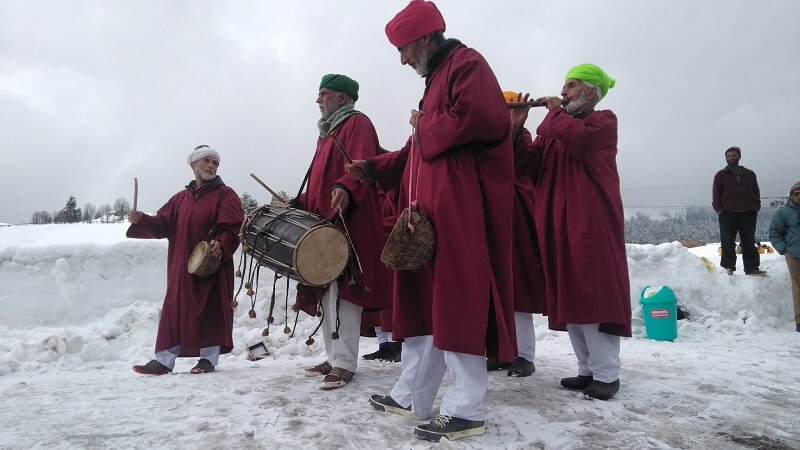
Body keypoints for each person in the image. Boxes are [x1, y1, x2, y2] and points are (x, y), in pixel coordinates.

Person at [346, 0, 516, 441]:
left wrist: (425, 126)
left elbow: (480, 119)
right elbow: (413, 150)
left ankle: (467, 408)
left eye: (403, 48)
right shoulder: (437, 79)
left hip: (458, 214)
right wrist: (375, 168)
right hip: (426, 217)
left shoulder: (468, 64)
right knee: (425, 306)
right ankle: (412, 395)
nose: (402, 59)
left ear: (424, 38)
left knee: (456, 303)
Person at [512, 64, 631, 400]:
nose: (563, 92)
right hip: (557, 226)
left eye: (572, 86)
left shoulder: (603, 122)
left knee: (594, 294)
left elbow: (579, 139)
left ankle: (607, 374)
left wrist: (550, 114)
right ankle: (587, 368)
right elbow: (525, 167)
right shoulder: (554, 131)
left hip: (590, 225)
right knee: (572, 294)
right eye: (564, 86)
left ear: (592, 92)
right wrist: (516, 132)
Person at [294, 74, 393, 390]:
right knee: (327, 291)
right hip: (326, 222)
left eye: (323, 94)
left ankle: (346, 363)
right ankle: (333, 354)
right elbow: (320, 181)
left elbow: (358, 166)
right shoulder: (327, 133)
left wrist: (345, 188)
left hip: (350, 220)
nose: (318, 99)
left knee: (345, 294)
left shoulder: (357, 123)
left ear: (342, 98)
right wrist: (300, 202)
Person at [129, 145, 244, 375]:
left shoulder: (225, 194)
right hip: (181, 266)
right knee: (174, 309)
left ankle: (208, 360)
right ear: (193, 165)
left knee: (210, 308)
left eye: (215, 163)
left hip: (210, 266)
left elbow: (233, 225)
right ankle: (163, 361)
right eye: (207, 161)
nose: (211, 166)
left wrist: (221, 243)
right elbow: (161, 224)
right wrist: (141, 219)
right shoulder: (179, 199)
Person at [484, 90, 548, 378]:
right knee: (493, 292)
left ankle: (524, 355)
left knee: (517, 289)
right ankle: (501, 352)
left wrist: (515, 128)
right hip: (490, 220)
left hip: (515, 221)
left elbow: (517, 167)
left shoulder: (521, 137)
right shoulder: (485, 138)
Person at [712, 146, 766, 276]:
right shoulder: (720, 175)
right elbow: (716, 194)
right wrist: (720, 210)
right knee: (727, 242)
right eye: (728, 156)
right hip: (727, 214)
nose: (731, 158)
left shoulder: (750, 174)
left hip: (748, 213)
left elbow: (756, 192)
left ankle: (752, 268)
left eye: (733, 156)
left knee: (748, 241)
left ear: (739, 157)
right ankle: (728, 267)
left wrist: (755, 207)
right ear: (725, 158)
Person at [768, 182, 800, 332]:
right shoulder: (784, 212)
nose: (799, 196)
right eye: (796, 193)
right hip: (794, 254)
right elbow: (775, 233)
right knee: (798, 288)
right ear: (791, 195)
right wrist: (784, 250)